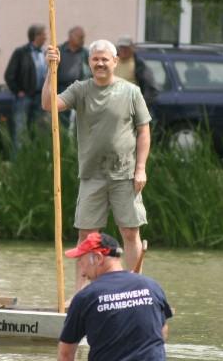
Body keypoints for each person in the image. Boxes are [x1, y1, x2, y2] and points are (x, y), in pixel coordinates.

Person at [42, 39, 152, 291]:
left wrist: (141, 169)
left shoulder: (131, 91)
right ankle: (82, 294)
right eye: (95, 59)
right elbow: (49, 105)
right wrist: (51, 69)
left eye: (105, 59)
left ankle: (135, 290)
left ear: (115, 61)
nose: (100, 63)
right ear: (89, 62)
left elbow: (144, 131)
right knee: (87, 237)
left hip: (125, 175)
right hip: (92, 175)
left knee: (130, 232)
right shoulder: (80, 89)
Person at [58, 232, 172, 361]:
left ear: (98, 258)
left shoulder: (85, 297)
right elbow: (162, 332)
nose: (82, 272)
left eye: (81, 261)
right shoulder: (152, 286)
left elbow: (65, 354)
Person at [4, 24, 48, 149]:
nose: (46, 37)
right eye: (44, 35)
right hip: (24, 97)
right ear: (36, 36)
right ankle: (19, 158)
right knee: (20, 131)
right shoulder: (21, 52)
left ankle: (35, 157)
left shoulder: (45, 52)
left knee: (39, 131)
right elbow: (9, 75)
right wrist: (18, 91)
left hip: (40, 97)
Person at [57, 26, 90, 127]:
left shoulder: (85, 53)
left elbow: (90, 71)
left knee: (78, 120)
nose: (83, 40)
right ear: (71, 37)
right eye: (80, 37)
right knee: (62, 118)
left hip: (79, 89)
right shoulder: (59, 50)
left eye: (83, 37)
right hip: (61, 89)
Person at [115, 35, 157, 110]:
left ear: (132, 48)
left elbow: (151, 88)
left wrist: (142, 105)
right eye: (121, 47)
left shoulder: (139, 64)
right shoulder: (111, 62)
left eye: (126, 47)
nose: (123, 50)